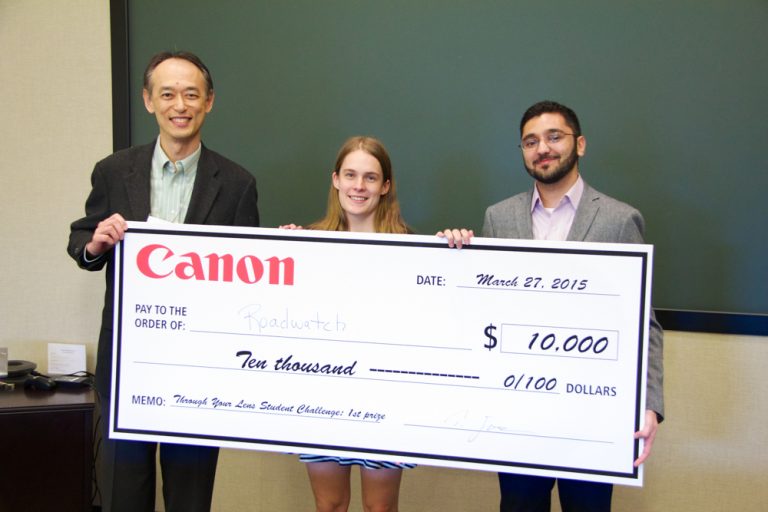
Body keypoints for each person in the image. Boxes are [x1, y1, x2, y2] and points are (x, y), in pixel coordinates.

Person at [68, 51, 259, 512]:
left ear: (209, 102)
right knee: (124, 494)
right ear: (148, 100)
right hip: (127, 363)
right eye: (168, 93)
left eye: (192, 94)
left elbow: (251, 279)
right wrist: (97, 244)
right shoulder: (114, 171)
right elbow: (82, 240)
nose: (180, 104)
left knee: (190, 497)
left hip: (199, 370)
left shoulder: (236, 183)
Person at [451, 100, 664, 511]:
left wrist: (649, 403)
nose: (542, 148)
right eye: (531, 141)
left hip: (592, 410)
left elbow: (643, 322)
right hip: (517, 409)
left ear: (579, 144)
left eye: (554, 137)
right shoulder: (498, 218)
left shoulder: (620, 220)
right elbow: (484, 308)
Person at [282, 135, 471, 512]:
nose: (358, 186)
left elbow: (440, 316)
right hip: (321, 393)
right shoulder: (307, 244)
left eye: (370, 178)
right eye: (350, 175)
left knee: (379, 509)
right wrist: (284, 257)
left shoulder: (413, 249)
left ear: (385, 186)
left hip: (385, 396)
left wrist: (457, 250)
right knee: (330, 506)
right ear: (335, 180)